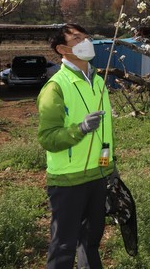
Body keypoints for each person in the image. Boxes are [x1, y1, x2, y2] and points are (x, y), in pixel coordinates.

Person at [37, 23, 114, 269]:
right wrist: (79, 129)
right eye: (77, 39)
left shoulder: (99, 81)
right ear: (62, 49)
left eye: (87, 37)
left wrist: (111, 165)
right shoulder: (55, 87)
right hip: (68, 180)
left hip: (98, 173)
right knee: (63, 245)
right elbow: (48, 138)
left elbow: (106, 132)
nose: (86, 42)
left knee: (91, 241)